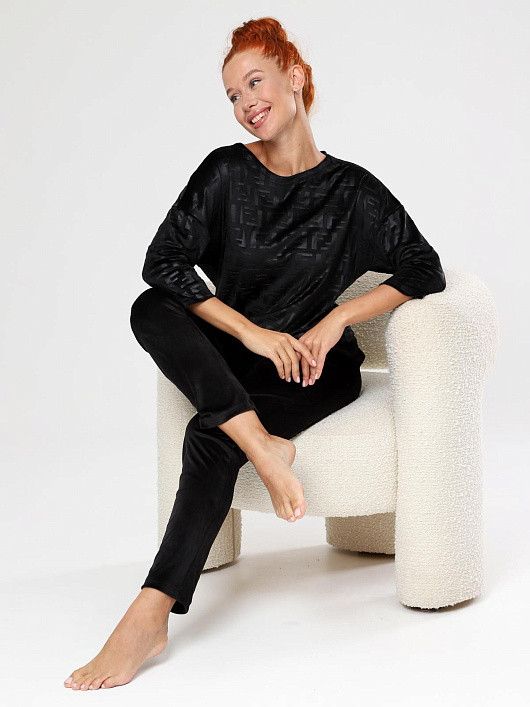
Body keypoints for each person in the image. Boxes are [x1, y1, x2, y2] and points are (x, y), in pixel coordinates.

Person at [63, 16, 446, 690]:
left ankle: (150, 614)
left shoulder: (353, 192)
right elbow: (163, 262)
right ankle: (264, 448)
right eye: (233, 95)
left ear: (295, 77)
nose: (245, 103)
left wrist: (338, 317)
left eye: (255, 82)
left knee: (209, 435)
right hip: (238, 357)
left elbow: (424, 267)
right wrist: (247, 332)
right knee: (149, 306)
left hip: (311, 371)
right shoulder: (225, 172)